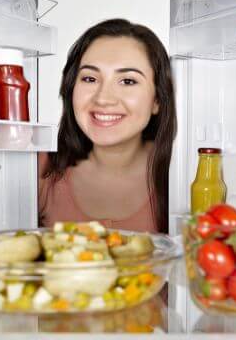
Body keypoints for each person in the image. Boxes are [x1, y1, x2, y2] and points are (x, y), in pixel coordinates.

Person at [39, 18, 177, 233]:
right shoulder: (41, 170)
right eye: (90, 79)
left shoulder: (181, 173)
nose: (103, 98)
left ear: (157, 99)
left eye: (128, 81)